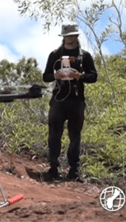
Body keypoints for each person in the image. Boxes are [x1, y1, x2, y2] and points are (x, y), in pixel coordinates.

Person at [42, 23, 98, 182]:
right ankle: (53, 168)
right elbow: (45, 76)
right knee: (54, 135)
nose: (70, 38)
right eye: (68, 35)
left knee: (75, 136)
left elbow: (94, 76)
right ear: (63, 37)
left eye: (73, 35)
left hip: (76, 100)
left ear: (77, 36)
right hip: (58, 100)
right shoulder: (55, 55)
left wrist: (79, 76)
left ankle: (74, 170)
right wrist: (57, 75)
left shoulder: (84, 55)